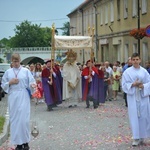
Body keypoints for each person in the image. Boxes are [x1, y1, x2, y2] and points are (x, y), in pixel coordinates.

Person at [1, 53, 36, 150]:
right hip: (13, 97)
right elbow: (3, 85)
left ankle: (25, 142)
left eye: (17, 61)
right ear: (11, 61)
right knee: (15, 120)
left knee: (24, 120)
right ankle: (18, 144)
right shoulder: (8, 72)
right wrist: (10, 82)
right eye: (14, 61)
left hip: (23, 95)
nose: (16, 63)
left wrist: (32, 85)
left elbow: (31, 81)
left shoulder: (25, 71)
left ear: (20, 60)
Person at [122, 52, 150, 147]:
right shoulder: (127, 72)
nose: (135, 61)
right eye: (133, 60)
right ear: (131, 61)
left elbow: (149, 82)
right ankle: (136, 137)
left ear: (140, 60)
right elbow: (124, 85)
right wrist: (132, 84)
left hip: (142, 96)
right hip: (133, 96)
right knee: (134, 116)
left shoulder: (144, 71)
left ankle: (143, 136)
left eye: (137, 59)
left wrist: (143, 86)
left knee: (144, 116)